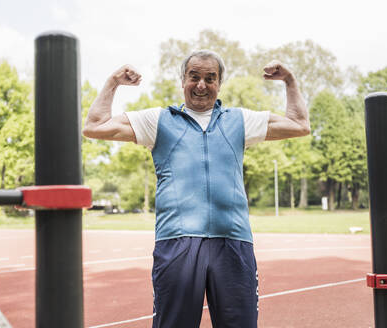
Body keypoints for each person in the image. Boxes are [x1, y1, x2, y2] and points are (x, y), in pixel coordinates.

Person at [83, 50, 309, 328]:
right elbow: (95, 126)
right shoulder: (158, 120)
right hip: (178, 243)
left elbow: (300, 125)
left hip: (233, 242)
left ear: (219, 83)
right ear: (183, 80)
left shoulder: (239, 120)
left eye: (210, 78)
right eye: (194, 77)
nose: (201, 85)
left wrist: (290, 81)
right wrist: (113, 81)